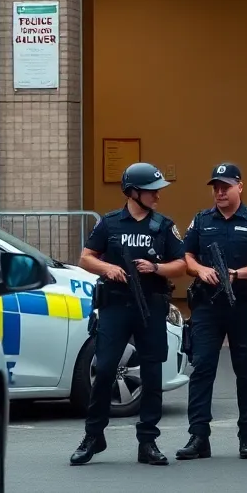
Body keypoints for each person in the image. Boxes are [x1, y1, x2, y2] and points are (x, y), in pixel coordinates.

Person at [70, 162, 188, 467]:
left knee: (151, 373)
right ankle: (94, 435)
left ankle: (147, 440)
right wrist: (108, 268)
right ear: (133, 192)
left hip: (150, 305)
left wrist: (156, 268)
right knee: (106, 368)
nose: (157, 196)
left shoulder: (163, 226)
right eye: (151, 192)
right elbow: (85, 258)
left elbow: (182, 264)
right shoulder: (109, 224)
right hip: (115, 306)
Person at [178, 162, 247, 461]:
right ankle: (198, 437)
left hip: (244, 305)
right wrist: (200, 270)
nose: (220, 192)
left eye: (225, 186)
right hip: (208, 306)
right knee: (202, 370)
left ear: (240, 186)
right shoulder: (201, 220)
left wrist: (236, 274)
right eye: (216, 187)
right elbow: (185, 255)